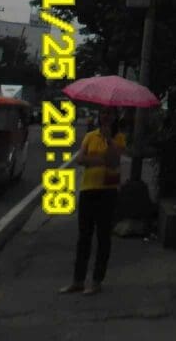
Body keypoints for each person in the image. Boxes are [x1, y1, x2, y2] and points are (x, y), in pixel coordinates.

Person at [59, 107, 126, 296]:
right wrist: (100, 159)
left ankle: (97, 281)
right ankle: (77, 280)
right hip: (88, 190)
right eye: (103, 113)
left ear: (115, 117)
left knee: (103, 237)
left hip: (108, 193)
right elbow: (80, 159)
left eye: (110, 113)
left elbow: (113, 161)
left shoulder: (118, 138)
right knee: (84, 238)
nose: (106, 116)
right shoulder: (89, 136)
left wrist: (108, 141)